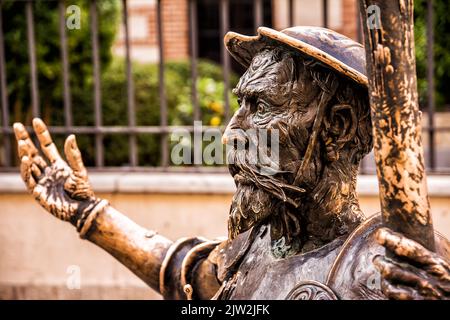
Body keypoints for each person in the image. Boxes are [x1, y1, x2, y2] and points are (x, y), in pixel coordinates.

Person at [13, 27, 450, 300]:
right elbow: (181, 271)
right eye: (239, 104)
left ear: (336, 125)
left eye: (260, 106)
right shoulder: (252, 248)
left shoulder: (395, 267)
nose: (231, 134)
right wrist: (89, 212)